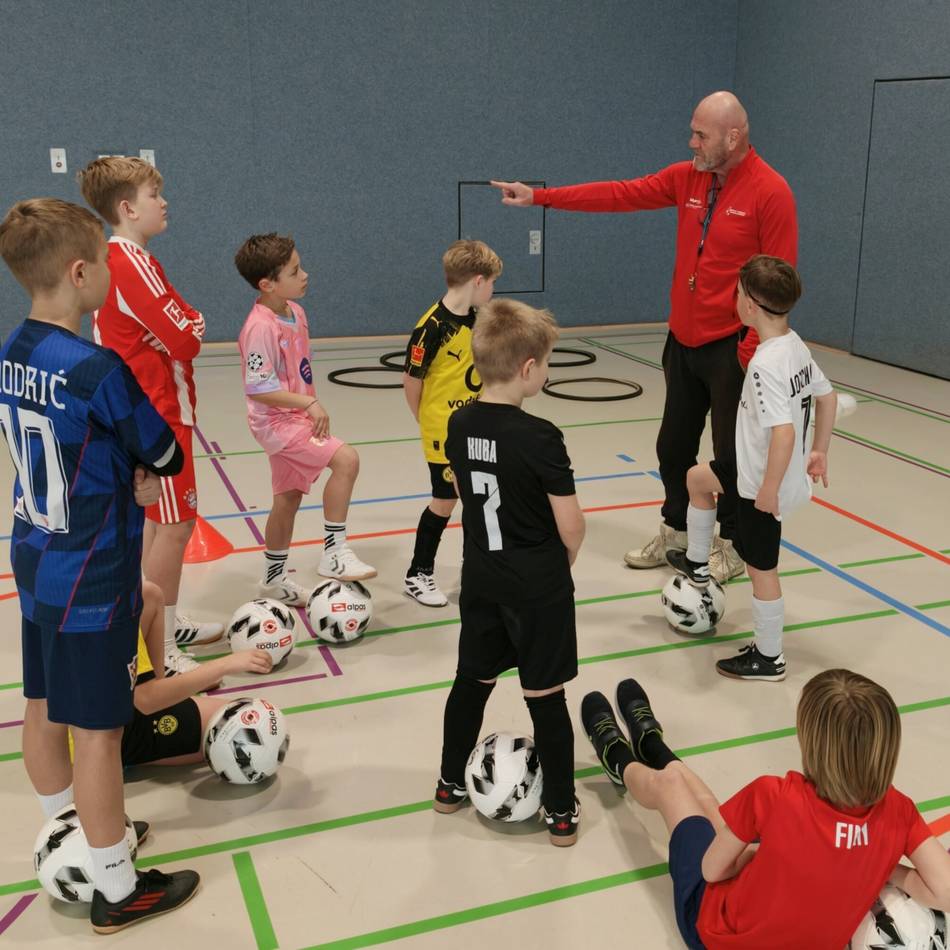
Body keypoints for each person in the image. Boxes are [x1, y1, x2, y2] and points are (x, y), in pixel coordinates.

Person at [491, 90, 798, 584]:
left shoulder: (770, 191)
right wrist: (541, 197)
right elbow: (620, 194)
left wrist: (750, 351)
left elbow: (781, 280)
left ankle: (733, 545)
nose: (691, 142)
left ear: (733, 137)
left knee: (732, 457)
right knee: (672, 448)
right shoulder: (688, 177)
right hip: (683, 343)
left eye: (701, 134)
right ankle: (676, 531)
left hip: (733, 349)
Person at [0, 198, 199, 933]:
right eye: (106, 262)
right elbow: (164, 451)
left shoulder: (12, 350)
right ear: (80, 273)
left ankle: (75, 835)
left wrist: (121, 471)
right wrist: (136, 475)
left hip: (34, 557)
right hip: (92, 571)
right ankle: (116, 887)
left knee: (42, 704)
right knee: (100, 733)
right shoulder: (95, 367)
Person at [580, 669, 950, 948]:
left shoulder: (775, 795)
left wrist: (753, 856)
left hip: (713, 933)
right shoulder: (899, 812)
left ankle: (620, 758)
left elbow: (712, 870)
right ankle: (653, 748)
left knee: (675, 788)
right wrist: (879, 864)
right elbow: (945, 890)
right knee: (720, 817)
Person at [432, 299, 586, 846]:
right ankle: (561, 812)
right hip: (536, 586)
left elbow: (464, 486)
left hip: (481, 579)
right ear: (527, 368)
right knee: (545, 697)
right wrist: (562, 563)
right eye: (546, 363)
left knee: (470, 682)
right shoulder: (541, 435)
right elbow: (571, 526)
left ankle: (449, 785)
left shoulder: (458, 422)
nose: (546, 372)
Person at [78, 156, 221, 674]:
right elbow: (188, 336)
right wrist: (186, 326)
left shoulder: (128, 259)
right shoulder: (129, 262)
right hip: (156, 414)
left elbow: (183, 324)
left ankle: (162, 619)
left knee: (159, 524)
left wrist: (183, 325)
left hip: (147, 409)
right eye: (154, 195)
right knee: (176, 525)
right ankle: (161, 650)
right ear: (127, 208)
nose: (164, 202)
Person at [667, 255, 835, 680]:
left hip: (761, 482)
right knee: (696, 480)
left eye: (738, 292)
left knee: (763, 570)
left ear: (751, 305)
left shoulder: (764, 364)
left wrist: (768, 490)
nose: (735, 298)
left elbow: (783, 434)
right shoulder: (793, 345)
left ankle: (769, 657)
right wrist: (820, 450)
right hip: (748, 465)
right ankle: (697, 564)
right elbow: (828, 396)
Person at [234, 233, 375, 602]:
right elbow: (258, 387)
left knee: (288, 498)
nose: (305, 275)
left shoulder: (296, 313)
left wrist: (305, 405)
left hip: (295, 417)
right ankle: (334, 552)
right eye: (295, 271)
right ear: (267, 284)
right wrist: (308, 403)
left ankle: (273, 580)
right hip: (275, 423)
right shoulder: (260, 327)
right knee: (347, 460)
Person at [401, 240, 502, 607]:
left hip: (474, 425)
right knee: (445, 501)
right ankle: (418, 574)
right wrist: (427, 422)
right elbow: (411, 381)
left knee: (479, 499)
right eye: (492, 283)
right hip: (443, 431)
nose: (493, 291)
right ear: (478, 280)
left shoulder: (479, 319)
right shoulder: (432, 327)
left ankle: (474, 571)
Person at [122, 580, 272, 768]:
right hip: (102, 732)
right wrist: (224, 664)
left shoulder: (104, 591)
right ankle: (106, 758)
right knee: (249, 727)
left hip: (108, 702)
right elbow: (148, 700)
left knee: (149, 595)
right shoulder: (111, 612)